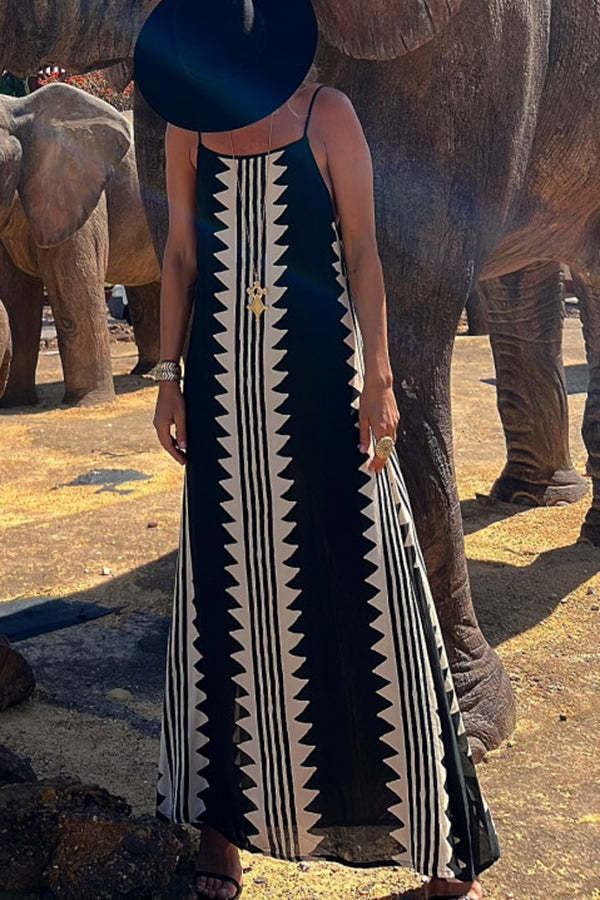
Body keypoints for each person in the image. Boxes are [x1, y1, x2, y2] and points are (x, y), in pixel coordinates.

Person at [134, 3, 500, 899]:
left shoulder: (328, 116)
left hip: (327, 387)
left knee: (374, 580)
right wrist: (170, 376)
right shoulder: (188, 131)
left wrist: (380, 376)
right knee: (222, 593)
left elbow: (363, 254)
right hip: (224, 398)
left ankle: (444, 847)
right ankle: (220, 836)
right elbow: (180, 257)